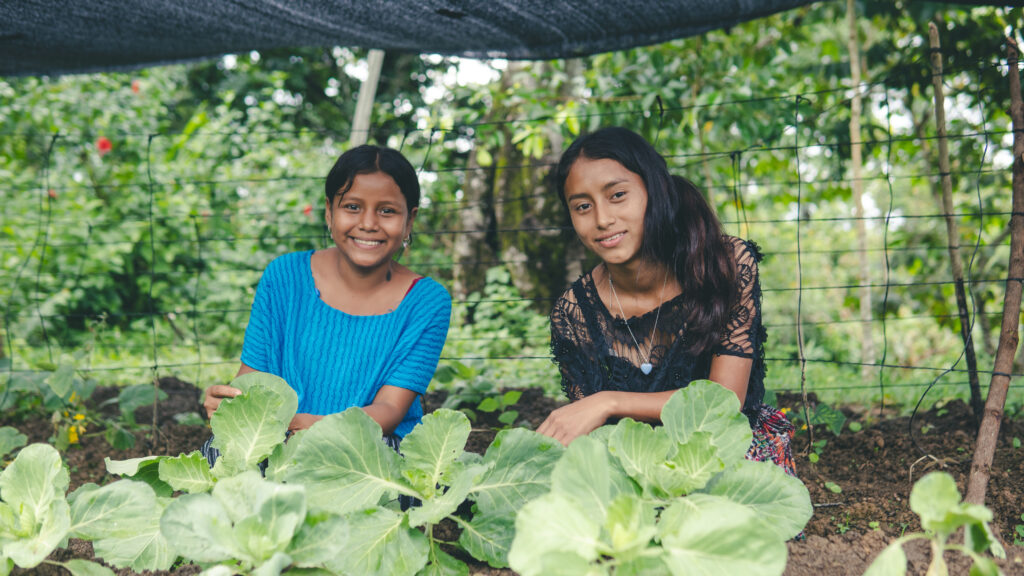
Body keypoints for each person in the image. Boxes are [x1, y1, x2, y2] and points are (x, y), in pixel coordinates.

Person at [537, 126, 796, 478]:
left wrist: (608, 400)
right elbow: (595, 431)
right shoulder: (574, 312)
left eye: (617, 195)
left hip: (727, 449)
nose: (602, 219)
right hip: (635, 461)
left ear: (654, 190)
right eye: (583, 206)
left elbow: (725, 403)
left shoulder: (726, 264)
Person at [201, 144, 452, 467]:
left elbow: (390, 409)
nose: (369, 223)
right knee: (221, 452)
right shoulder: (284, 276)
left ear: (409, 220)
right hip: (280, 436)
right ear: (329, 213)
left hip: (366, 442)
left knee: (385, 471)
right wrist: (228, 404)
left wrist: (323, 428)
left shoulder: (427, 301)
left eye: (387, 211)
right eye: (352, 207)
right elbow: (252, 378)